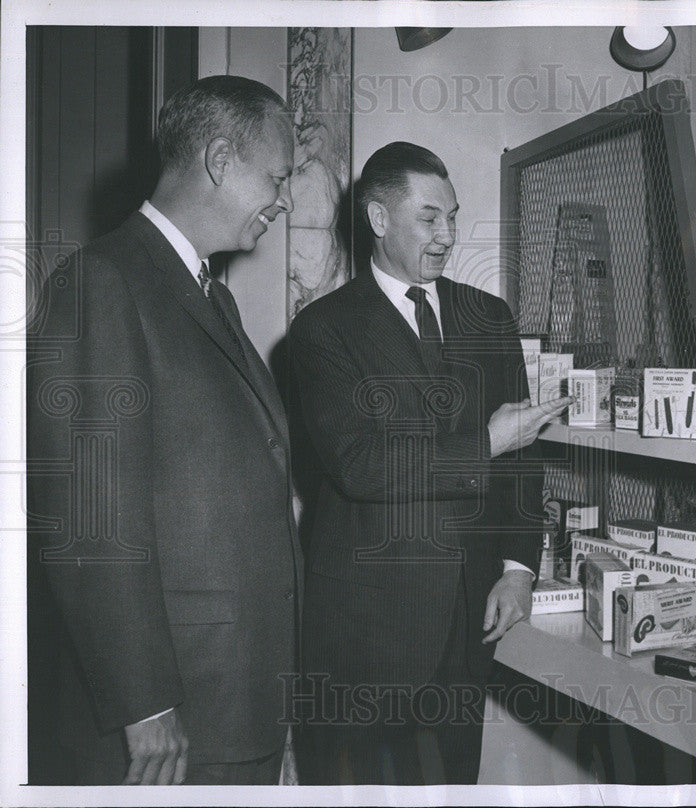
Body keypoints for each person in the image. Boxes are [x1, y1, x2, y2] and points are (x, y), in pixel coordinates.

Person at [26, 75, 301, 786]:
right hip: (174, 718)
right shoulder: (102, 282)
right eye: (277, 175)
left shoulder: (217, 299)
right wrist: (145, 703)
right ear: (219, 159)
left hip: (235, 699)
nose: (285, 197)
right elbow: (91, 521)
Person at [289, 141, 571, 785]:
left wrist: (519, 568)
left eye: (452, 216)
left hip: (465, 628)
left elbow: (525, 461)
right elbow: (360, 466)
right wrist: (486, 443)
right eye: (428, 218)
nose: (447, 235)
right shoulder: (322, 332)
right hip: (365, 638)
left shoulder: (488, 317)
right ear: (378, 219)